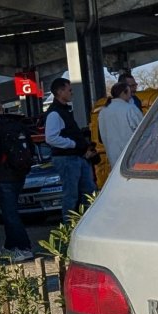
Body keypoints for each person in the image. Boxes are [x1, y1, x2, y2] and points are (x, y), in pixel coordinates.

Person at [0, 98, 36, 260]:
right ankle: (10, 246)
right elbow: (30, 148)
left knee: (10, 214)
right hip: (20, 174)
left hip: (2, 177)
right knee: (9, 211)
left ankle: (24, 248)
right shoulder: (18, 125)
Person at [45, 77, 97, 217]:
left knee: (88, 192)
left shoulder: (62, 111)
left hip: (75, 157)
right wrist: (74, 144)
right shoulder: (55, 113)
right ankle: (69, 228)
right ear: (60, 92)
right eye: (69, 90)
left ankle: (84, 223)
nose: (71, 93)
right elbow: (51, 138)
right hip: (67, 158)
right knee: (72, 195)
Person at [98, 80, 143, 164]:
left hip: (113, 158)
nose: (130, 96)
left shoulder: (103, 111)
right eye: (129, 93)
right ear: (123, 93)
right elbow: (143, 129)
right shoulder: (130, 109)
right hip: (132, 156)